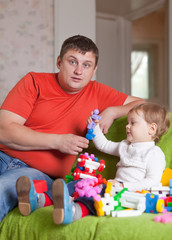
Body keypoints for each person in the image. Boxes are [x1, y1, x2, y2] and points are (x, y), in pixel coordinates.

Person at [0, 35, 144, 222]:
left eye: (86, 65)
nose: (78, 71)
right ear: (59, 62)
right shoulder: (34, 81)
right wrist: (58, 141)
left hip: (35, 173)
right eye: (72, 62)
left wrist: (114, 110)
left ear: (94, 70)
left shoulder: (98, 92)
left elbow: (145, 105)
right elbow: (4, 131)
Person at [90, 102, 170, 191]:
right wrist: (95, 128)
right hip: (115, 188)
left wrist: (124, 186)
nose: (127, 126)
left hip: (135, 194)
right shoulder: (124, 146)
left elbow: (152, 181)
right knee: (88, 190)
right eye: (128, 123)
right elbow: (103, 145)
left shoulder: (154, 153)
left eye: (133, 123)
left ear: (151, 129)